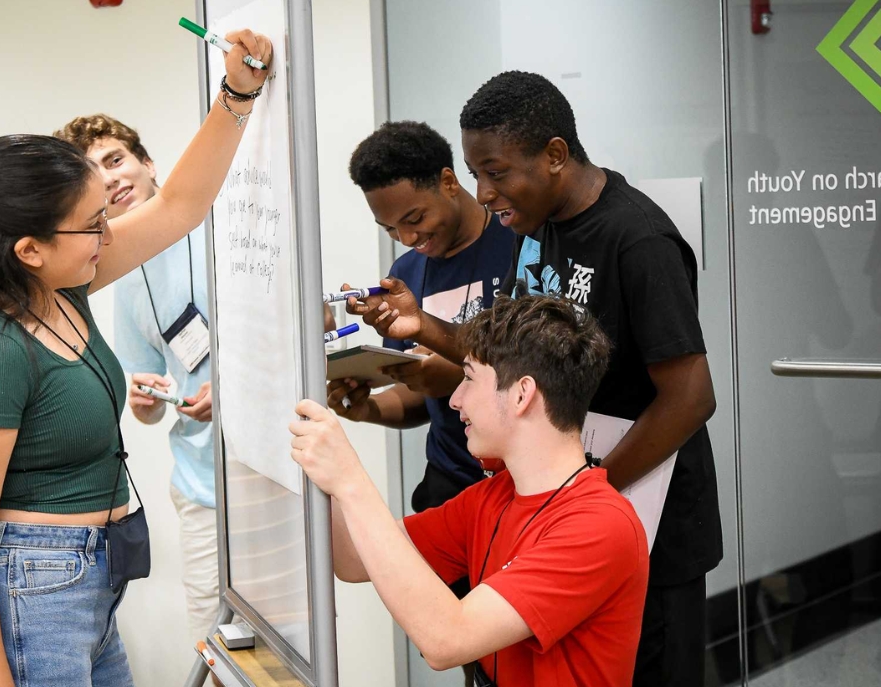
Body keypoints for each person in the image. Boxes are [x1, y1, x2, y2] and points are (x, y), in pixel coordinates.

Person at [0, 31, 272, 687]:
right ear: (29, 248)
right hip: (31, 590)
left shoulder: (65, 285)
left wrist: (236, 95)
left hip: (84, 585)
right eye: (91, 224)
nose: (107, 233)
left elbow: (177, 205)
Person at [351, 71, 722, 687]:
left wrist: (591, 490)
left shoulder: (638, 239)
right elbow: (511, 351)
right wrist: (425, 326)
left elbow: (690, 396)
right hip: (576, 509)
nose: (484, 192)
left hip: (648, 520)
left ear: (554, 156)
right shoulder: (538, 230)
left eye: (496, 173)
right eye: (476, 175)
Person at [291, 294, 649, 686]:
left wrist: (349, 479)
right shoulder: (493, 496)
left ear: (521, 394)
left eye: (468, 378)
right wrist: (314, 447)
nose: (456, 399)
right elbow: (353, 559)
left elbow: (446, 641)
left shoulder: (599, 527)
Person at [54, 113, 221, 649]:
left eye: (115, 160)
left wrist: (234, 389)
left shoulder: (222, 229)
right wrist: (147, 401)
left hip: (274, 472)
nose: (109, 179)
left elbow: (287, 341)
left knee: (295, 650)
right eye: (92, 174)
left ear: (148, 164)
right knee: (214, 650)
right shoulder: (118, 273)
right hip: (201, 485)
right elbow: (143, 395)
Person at [331, 121, 515, 514]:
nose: (408, 239)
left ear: (448, 181)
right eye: (390, 229)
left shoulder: (519, 243)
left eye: (414, 219)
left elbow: (548, 366)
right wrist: (369, 410)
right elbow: (418, 394)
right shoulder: (406, 274)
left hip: (523, 487)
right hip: (450, 489)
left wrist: (458, 373)